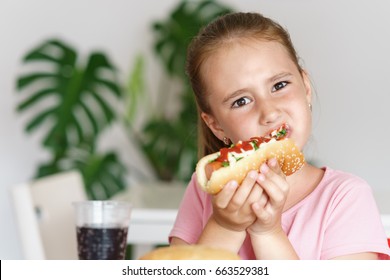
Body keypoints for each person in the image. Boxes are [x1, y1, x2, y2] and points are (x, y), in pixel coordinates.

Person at [169, 12, 390, 260]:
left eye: (279, 85)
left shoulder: (346, 198)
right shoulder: (203, 192)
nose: (269, 112)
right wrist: (225, 227)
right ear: (217, 126)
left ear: (305, 88)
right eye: (241, 101)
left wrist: (268, 233)